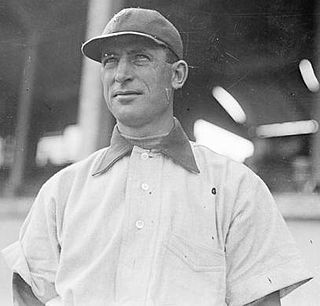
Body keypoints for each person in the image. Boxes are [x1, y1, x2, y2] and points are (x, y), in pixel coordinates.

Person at [2, 7, 313, 306]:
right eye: (110, 61)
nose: (121, 74)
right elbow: (29, 293)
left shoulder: (235, 187)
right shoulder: (64, 190)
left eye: (140, 58)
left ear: (177, 75)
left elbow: (260, 300)